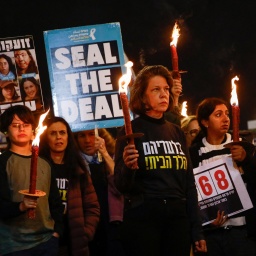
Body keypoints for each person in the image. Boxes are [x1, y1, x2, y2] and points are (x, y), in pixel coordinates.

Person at [114, 65, 207, 256]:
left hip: (177, 219)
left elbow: (189, 184)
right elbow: (121, 185)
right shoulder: (130, 132)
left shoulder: (176, 132)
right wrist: (128, 167)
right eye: (156, 90)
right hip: (144, 218)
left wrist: (197, 230)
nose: (164, 94)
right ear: (142, 96)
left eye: (166, 89)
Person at [189, 97, 256, 256]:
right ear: (205, 122)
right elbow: (191, 193)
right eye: (218, 115)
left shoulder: (243, 146)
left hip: (242, 233)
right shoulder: (194, 153)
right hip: (211, 236)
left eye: (227, 114)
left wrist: (246, 160)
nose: (226, 118)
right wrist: (205, 219)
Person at [0, 105, 63, 256]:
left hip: (46, 240)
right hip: (15, 245)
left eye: (26, 125)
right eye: (15, 125)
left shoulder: (45, 163)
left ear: (34, 130)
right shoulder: (3, 162)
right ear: (6, 132)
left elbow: (55, 202)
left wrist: (57, 232)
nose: (21, 129)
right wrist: (21, 206)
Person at [39, 116, 100, 256]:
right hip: (45, 240)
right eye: (53, 133)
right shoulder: (38, 168)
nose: (58, 137)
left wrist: (86, 233)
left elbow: (93, 207)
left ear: (68, 136)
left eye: (62, 132)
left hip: (74, 241)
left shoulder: (78, 169)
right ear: (46, 138)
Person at [74, 128, 125, 256]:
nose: (87, 140)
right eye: (82, 135)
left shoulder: (113, 156)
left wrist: (104, 153)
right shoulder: (74, 163)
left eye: (91, 134)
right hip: (88, 223)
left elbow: (120, 182)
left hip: (112, 222)